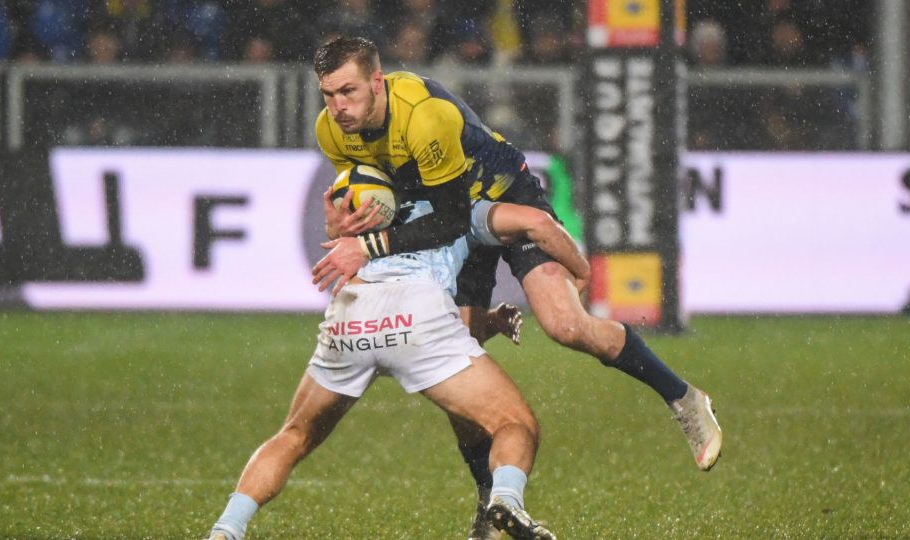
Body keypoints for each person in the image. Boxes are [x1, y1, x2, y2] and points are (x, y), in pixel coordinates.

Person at [309, 36, 722, 540]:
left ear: (377, 81)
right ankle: (489, 503)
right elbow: (383, 205)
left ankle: (683, 398)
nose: (338, 107)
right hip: (449, 220)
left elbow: (454, 218)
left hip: (499, 198)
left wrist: (369, 246)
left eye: (348, 91)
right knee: (453, 366)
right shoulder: (331, 132)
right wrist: (344, 224)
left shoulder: (424, 115)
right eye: (328, 94)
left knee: (566, 326)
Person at [206, 200, 557, 540]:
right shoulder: (461, 202)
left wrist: (335, 223)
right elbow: (535, 223)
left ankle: (227, 528)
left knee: (294, 435)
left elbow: (336, 227)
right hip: (416, 315)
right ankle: (505, 500)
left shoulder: (372, 196)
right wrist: (579, 270)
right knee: (515, 424)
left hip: (352, 312)